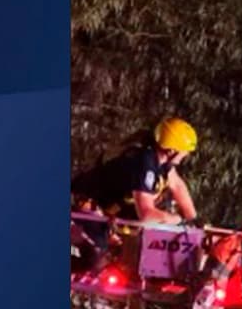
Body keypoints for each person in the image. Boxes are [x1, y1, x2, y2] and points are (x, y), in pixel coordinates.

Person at [71, 117, 202, 273]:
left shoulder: (160, 161)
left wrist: (193, 218)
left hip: (103, 214)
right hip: (83, 206)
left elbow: (177, 185)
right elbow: (146, 215)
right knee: (95, 259)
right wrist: (178, 220)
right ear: (171, 150)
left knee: (120, 260)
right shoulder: (144, 164)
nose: (186, 155)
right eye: (184, 152)